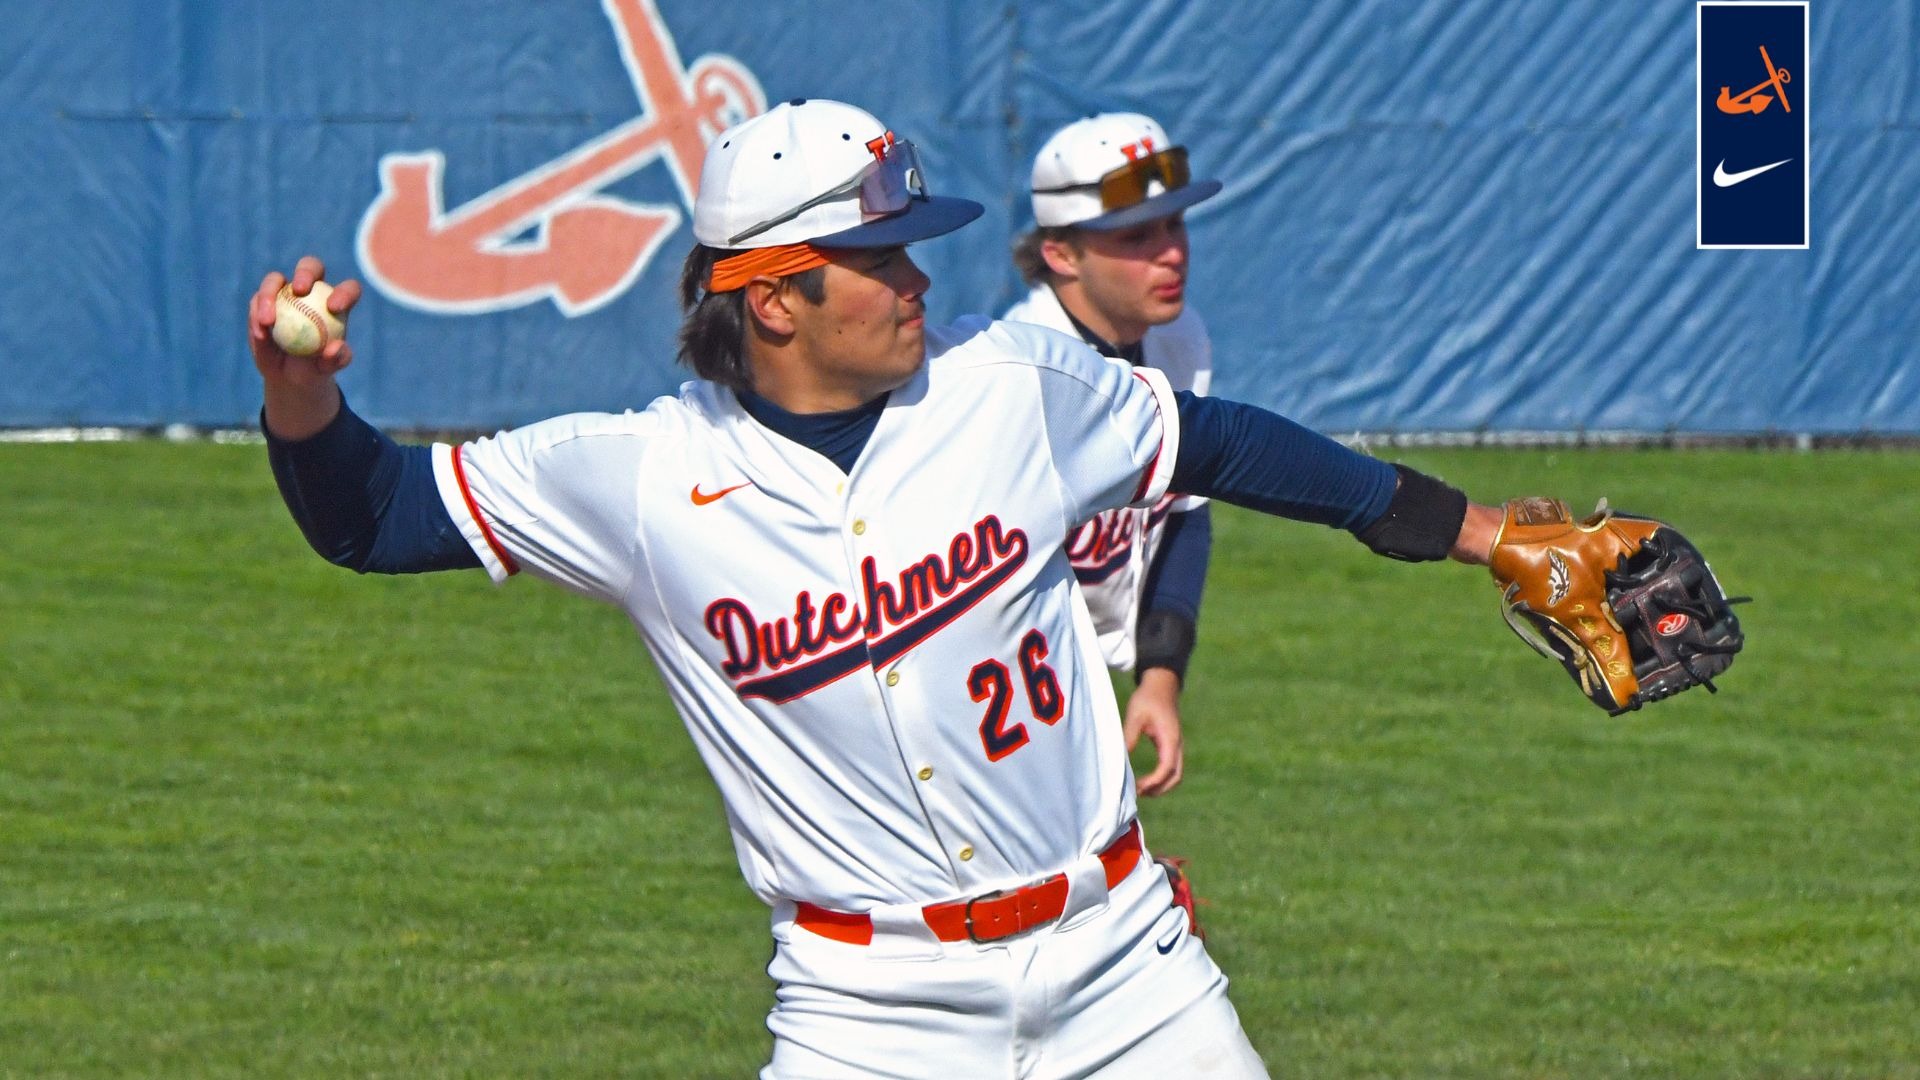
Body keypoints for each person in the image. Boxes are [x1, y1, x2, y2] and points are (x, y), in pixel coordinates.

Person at [253, 98, 1512, 1078]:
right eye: (877, 255)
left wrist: (1486, 534)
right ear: (771, 297)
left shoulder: (1009, 385)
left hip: (1123, 961)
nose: (917, 280)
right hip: (870, 1007)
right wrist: (302, 396)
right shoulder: (643, 480)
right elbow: (375, 518)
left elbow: (1223, 443)